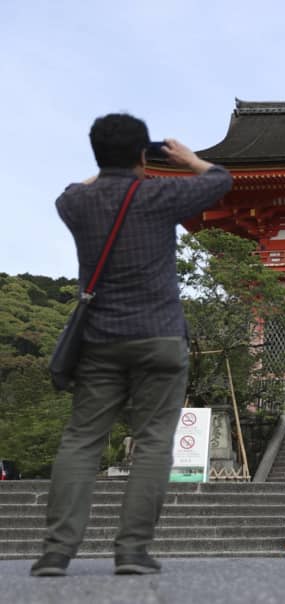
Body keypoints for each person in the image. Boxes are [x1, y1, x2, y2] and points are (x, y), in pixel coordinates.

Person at [30, 114, 232, 578]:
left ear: (97, 156)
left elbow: (68, 191)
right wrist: (185, 159)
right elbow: (222, 179)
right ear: (146, 154)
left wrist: (107, 167)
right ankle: (133, 552)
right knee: (154, 441)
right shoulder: (160, 194)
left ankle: (56, 552)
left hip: (100, 342)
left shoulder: (77, 203)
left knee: (81, 441)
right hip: (159, 337)